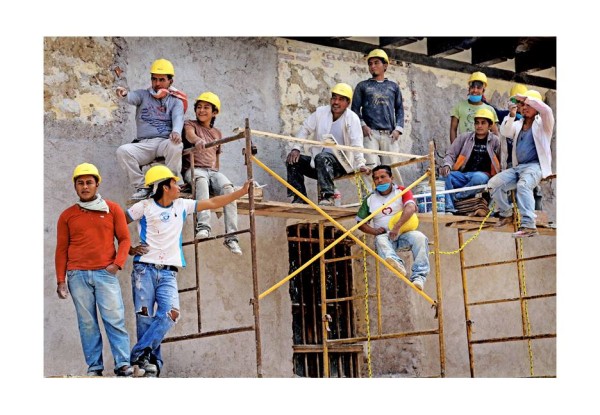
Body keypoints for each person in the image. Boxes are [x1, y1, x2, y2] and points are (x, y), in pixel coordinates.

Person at [126, 165, 251, 377]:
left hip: (168, 273)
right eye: (174, 183)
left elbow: (212, 202)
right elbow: (117, 223)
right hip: (143, 269)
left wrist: (239, 193)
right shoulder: (144, 207)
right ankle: (152, 366)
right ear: (164, 187)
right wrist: (127, 248)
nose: (179, 186)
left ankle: (139, 353)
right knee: (145, 319)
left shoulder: (182, 205)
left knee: (171, 314)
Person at [54, 163, 133, 377]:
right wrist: (61, 280)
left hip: (105, 274)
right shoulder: (67, 216)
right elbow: (61, 249)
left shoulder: (112, 209)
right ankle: (94, 368)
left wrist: (117, 264)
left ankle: (123, 364)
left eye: (89, 182)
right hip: (77, 275)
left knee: (115, 319)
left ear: (97, 184)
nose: (85, 187)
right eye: (80, 183)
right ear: (75, 187)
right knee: (87, 324)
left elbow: (125, 239)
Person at [116, 58, 188, 200]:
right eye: (154, 79)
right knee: (123, 151)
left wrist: (176, 132)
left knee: (176, 145)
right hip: (144, 144)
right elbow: (131, 97)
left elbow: (178, 118)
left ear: (170, 81)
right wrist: (124, 94)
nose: (157, 84)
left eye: (161, 80)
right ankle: (142, 187)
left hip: (164, 143)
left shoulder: (176, 101)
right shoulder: (143, 95)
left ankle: (173, 182)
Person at [286, 83, 369, 206]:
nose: (336, 102)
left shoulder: (352, 118)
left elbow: (356, 143)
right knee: (293, 160)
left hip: (340, 166)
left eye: (341, 99)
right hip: (318, 163)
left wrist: (361, 163)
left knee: (323, 157)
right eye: (334, 98)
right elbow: (305, 129)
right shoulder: (321, 113)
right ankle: (299, 198)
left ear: (348, 103)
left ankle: (328, 196)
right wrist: (296, 148)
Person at [488, 90, 554, 238]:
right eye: (522, 104)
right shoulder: (518, 124)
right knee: (494, 184)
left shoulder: (544, 124)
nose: (524, 107)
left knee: (523, 186)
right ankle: (506, 214)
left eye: (528, 104)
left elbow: (547, 110)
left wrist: (527, 98)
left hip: (535, 166)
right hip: (518, 167)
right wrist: (511, 115)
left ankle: (529, 225)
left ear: (536, 105)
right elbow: (505, 131)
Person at [182, 91, 242, 254]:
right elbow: (190, 135)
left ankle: (231, 237)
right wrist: (197, 141)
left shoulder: (217, 133)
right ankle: (203, 227)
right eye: (199, 107)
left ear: (214, 112)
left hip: (212, 172)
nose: (201, 110)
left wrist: (217, 180)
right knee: (200, 180)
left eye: (206, 107)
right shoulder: (190, 124)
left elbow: (216, 158)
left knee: (228, 189)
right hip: (194, 170)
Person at [356, 165, 430, 291]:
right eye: (376, 178)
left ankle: (419, 277)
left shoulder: (401, 191)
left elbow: (411, 208)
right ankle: (397, 264)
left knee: (420, 238)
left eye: (383, 177)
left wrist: (397, 226)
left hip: (404, 234)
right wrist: (374, 231)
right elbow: (360, 223)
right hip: (386, 238)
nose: (379, 180)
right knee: (380, 240)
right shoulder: (370, 199)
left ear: (391, 177)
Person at [351, 49, 405, 185]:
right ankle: (370, 199)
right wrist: (363, 125)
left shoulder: (393, 87)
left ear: (385, 66)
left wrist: (398, 129)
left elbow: (399, 109)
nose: (373, 66)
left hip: (389, 134)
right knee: (370, 167)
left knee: (392, 168)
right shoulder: (363, 86)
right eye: (370, 64)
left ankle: (397, 198)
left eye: (376, 63)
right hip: (370, 134)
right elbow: (355, 110)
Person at [440, 108, 501, 214]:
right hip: (463, 175)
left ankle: (457, 197)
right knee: (444, 176)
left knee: (479, 177)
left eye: (483, 123)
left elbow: (502, 161)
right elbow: (450, 154)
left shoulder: (495, 141)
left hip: (483, 176)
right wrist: (447, 165)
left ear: (490, 126)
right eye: (477, 123)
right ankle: (450, 207)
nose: (479, 126)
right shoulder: (464, 138)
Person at [450, 71, 499, 144]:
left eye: (479, 88)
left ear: (483, 91)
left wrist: (493, 152)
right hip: (464, 149)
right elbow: (453, 129)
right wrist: (455, 149)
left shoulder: (490, 109)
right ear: (469, 89)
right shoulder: (459, 106)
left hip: (483, 149)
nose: (475, 90)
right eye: (472, 87)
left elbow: (495, 133)